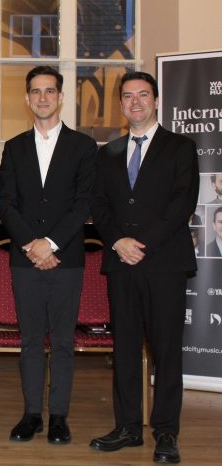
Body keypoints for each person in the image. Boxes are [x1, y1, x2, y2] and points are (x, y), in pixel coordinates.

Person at [90, 72, 199, 464]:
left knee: (166, 350)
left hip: (164, 263)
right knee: (124, 348)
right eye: (127, 96)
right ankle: (128, 428)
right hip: (121, 263)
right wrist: (118, 241)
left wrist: (142, 244)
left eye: (142, 95)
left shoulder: (180, 147)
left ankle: (166, 432)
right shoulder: (108, 152)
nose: (135, 102)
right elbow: (99, 204)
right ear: (120, 103)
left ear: (156, 100)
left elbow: (182, 203)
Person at [0, 66, 96, 445]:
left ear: (61, 97)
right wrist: (32, 244)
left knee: (64, 342)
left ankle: (58, 417)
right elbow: (6, 204)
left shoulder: (83, 147)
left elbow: (83, 203)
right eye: (36, 91)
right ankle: (31, 416)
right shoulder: (14, 147)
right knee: (31, 341)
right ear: (27, 99)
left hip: (66, 259)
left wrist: (50, 243)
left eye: (50, 91)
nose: (42, 98)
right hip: (25, 260)